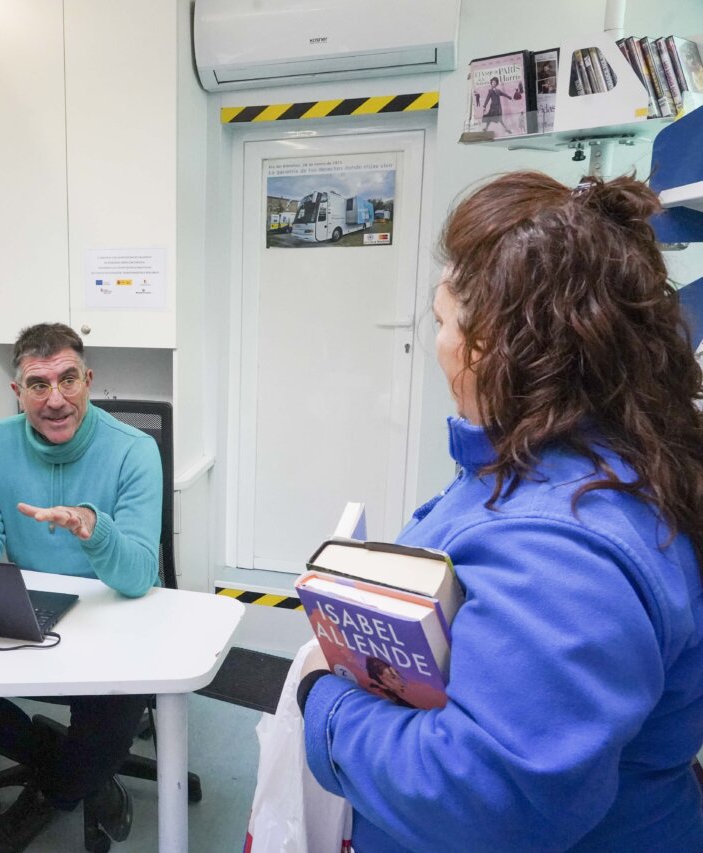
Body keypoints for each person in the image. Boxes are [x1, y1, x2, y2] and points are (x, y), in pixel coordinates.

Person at [296, 171, 703, 851]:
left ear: (489, 343)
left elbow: (487, 796)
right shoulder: (595, 456)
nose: (439, 345)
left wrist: (328, 708)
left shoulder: (561, 540)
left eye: (442, 321)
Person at [0, 322, 161, 853]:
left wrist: (92, 528)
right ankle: (73, 766)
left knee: (114, 707)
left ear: (89, 380)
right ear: (17, 392)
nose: (56, 400)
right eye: (38, 385)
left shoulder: (134, 451)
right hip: (36, 617)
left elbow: (140, 575)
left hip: (118, 622)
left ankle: (53, 795)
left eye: (68, 380)